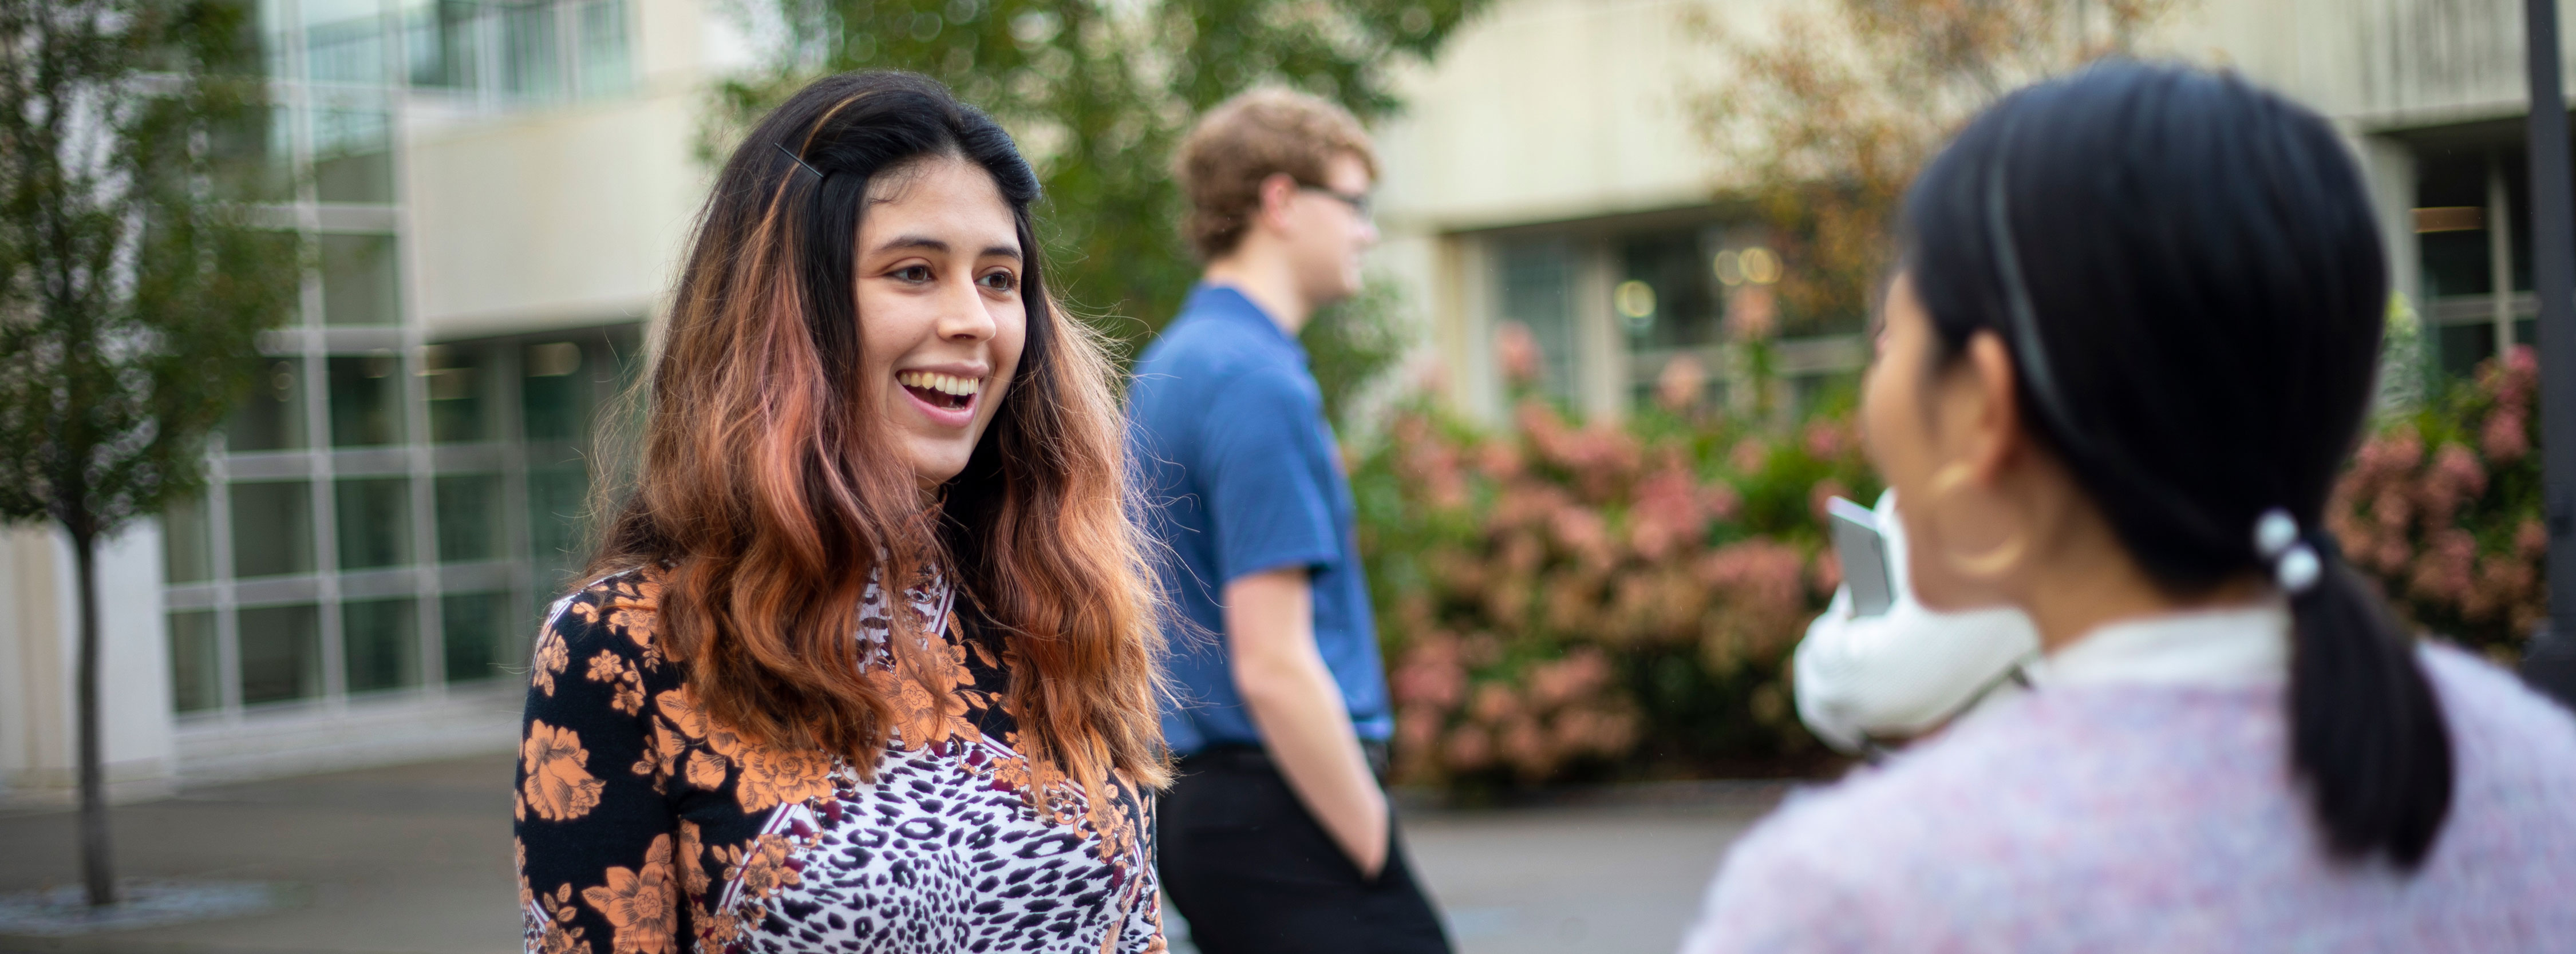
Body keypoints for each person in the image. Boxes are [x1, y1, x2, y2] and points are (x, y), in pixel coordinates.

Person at [1685, 62, 2576, 952]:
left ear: (1988, 406)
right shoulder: (2539, 777)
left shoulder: (1851, 895)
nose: (1873, 400)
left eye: (1895, 344)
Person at [513, 72, 1170, 954]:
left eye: (1000, 278)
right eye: (913, 271)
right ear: (785, 307)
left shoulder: (1060, 605)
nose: (973, 318)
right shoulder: (629, 645)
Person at [1129, 88, 1452, 954]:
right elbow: (1273, 661)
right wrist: (1374, 843)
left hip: (1204, 803)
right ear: (1280, 201)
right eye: (1352, 203)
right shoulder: (1253, 376)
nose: (1367, 231)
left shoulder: (1176, 364)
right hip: (1280, 804)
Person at [1793, 489, 2038, 754]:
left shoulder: (2010, 511)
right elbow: (1813, 688)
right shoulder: (1897, 500)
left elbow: (1879, 685)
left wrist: (1869, 711)